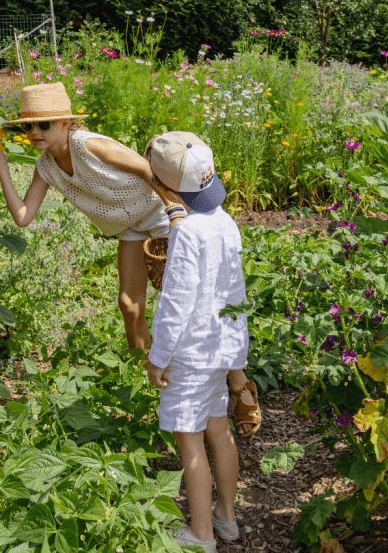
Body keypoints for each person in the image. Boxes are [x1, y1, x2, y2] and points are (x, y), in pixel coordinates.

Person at [0, 81, 184, 354]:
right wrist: (2, 170)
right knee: (129, 304)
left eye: (44, 124)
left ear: (65, 122)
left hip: (159, 212)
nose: (34, 132)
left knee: (178, 296)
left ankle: (190, 367)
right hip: (131, 226)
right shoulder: (45, 165)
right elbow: (23, 217)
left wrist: (176, 213)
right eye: (27, 126)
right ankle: (142, 371)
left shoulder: (87, 144)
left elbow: (146, 169)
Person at [145, 131, 257, 550]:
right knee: (218, 430)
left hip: (189, 355)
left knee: (189, 440)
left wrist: (158, 357)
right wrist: (237, 359)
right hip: (220, 349)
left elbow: (175, 303)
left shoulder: (185, 233)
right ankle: (225, 519)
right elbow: (236, 291)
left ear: (167, 187)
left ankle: (200, 535)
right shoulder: (224, 221)